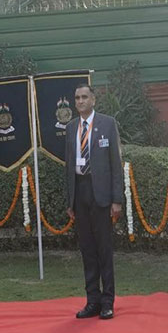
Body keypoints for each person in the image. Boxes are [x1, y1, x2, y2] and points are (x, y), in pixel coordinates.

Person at [64, 82, 123, 319]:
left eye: (84, 97)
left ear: (94, 100)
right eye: (77, 98)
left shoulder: (108, 124)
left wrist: (116, 200)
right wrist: (70, 201)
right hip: (80, 192)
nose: (80, 101)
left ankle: (108, 302)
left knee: (103, 249)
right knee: (87, 250)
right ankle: (92, 301)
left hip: (102, 195)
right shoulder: (70, 128)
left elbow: (116, 165)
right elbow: (68, 166)